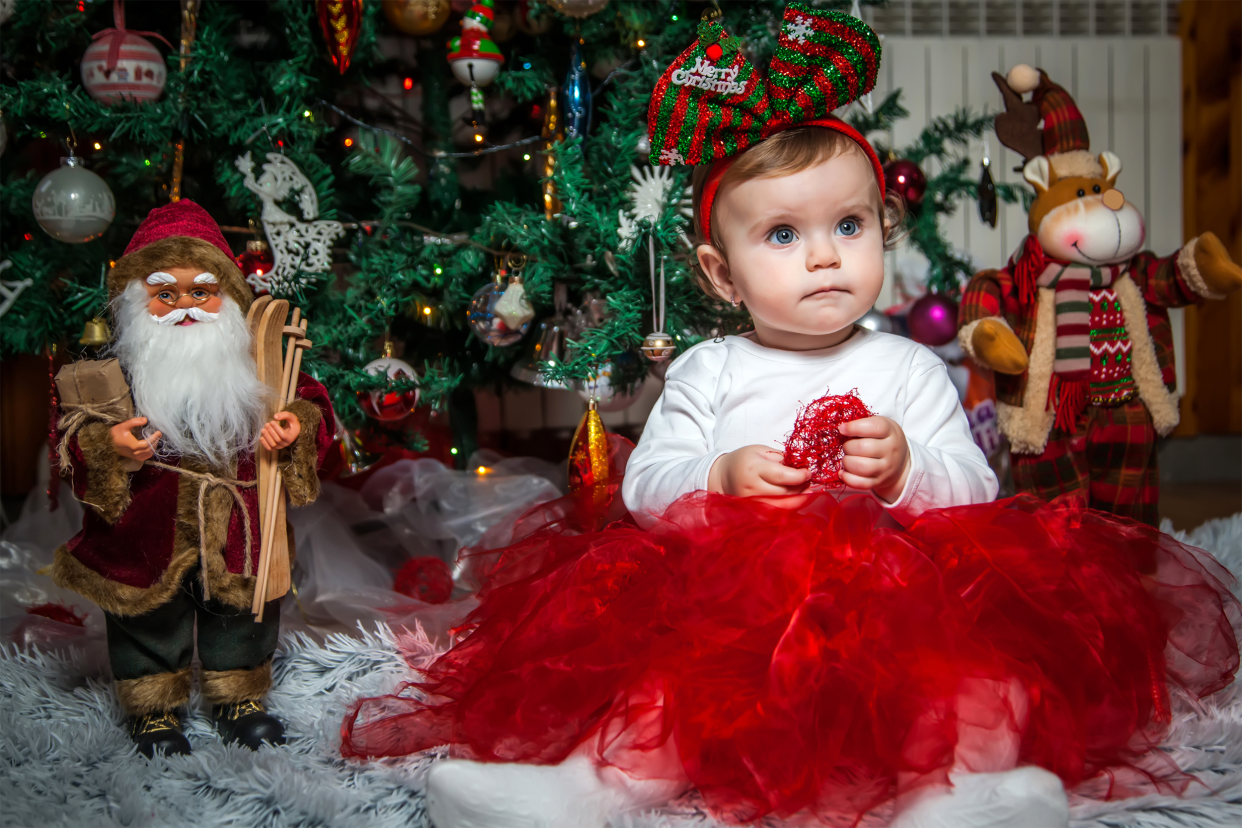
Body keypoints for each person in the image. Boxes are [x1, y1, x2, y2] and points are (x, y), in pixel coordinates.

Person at [341, 8, 1239, 827]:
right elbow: (649, 484)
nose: (822, 257)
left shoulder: (906, 364)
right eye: (782, 236)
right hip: (735, 608)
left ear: (883, 228)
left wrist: (902, 470)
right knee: (667, 677)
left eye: (848, 225)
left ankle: (964, 790)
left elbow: (973, 484)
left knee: (975, 673)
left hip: (898, 603)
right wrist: (720, 477)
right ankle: (590, 786)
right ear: (721, 274)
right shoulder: (709, 367)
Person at [52, 200, 335, 757]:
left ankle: (240, 699)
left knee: (242, 609)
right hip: (145, 524)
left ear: (226, 296)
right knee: (147, 615)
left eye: (201, 292)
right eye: (165, 293)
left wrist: (291, 428)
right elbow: (69, 430)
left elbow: (309, 405)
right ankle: (153, 709)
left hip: (239, 521)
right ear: (140, 300)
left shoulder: (257, 357)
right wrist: (110, 445)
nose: (185, 306)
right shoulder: (113, 364)